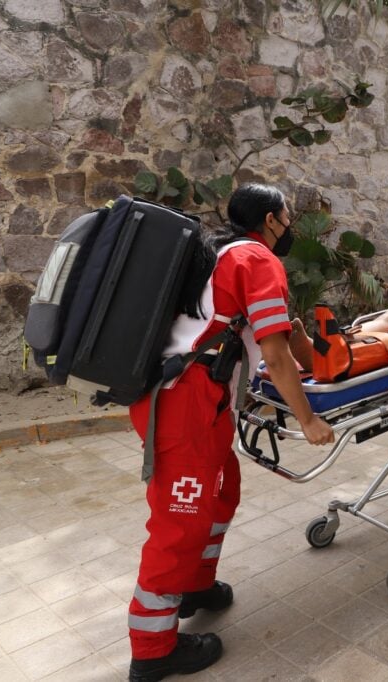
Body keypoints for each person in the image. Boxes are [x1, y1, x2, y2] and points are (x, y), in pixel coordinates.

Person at [126, 183, 334, 682]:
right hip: (186, 402)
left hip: (199, 398)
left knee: (222, 493)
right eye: (288, 216)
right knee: (179, 523)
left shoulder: (221, 251)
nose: (291, 225)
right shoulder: (257, 259)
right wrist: (308, 419)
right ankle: (153, 650)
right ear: (269, 219)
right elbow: (276, 352)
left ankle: (197, 585)